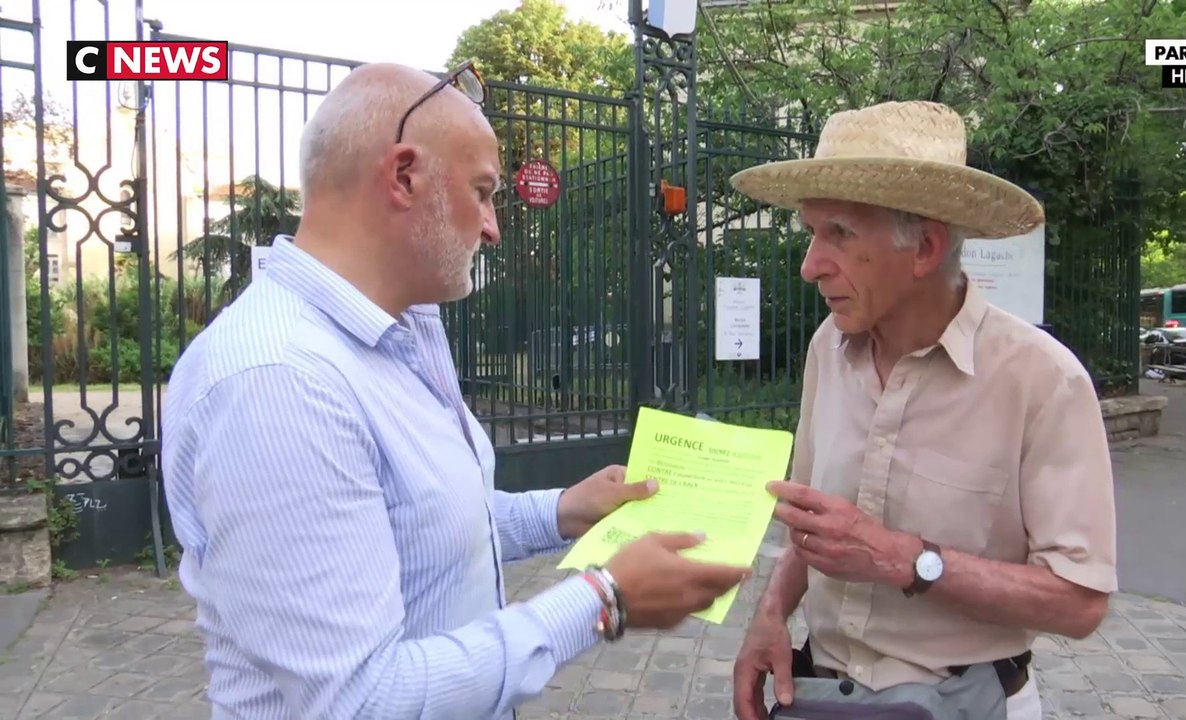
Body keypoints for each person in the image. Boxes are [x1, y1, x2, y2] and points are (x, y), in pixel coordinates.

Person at [160, 61, 750, 720]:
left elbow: (416, 524)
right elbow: (356, 702)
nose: (494, 226)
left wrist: (562, 511)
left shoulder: (407, 330)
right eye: (484, 191)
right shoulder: (279, 382)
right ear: (404, 176)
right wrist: (603, 597)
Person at [727, 101, 1117, 720]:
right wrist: (770, 616)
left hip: (968, 702)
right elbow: (811, 523)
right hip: (823, 698)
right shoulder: (827, 348)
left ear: (925, 247)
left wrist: (904, 559)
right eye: (812, 233)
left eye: (840, 235)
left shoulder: (1042, 380)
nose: (809, 266)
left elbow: (1079, 603)